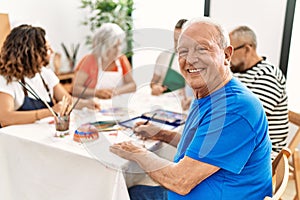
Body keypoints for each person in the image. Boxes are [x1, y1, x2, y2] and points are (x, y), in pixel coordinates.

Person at [110, 17, 272, 199]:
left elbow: (180, 181)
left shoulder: (235, 108)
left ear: (226, 55)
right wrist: (162, 134)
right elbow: (201, 148)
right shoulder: (207, 93)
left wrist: (137, 152)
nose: (191, 59)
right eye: (183, 51)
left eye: (202, 48)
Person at [0, 24, 100, 127]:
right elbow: (5, 118)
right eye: (47, 48)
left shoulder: (45, 73)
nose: (52, 52)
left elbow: (67, 100)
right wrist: (49, 112)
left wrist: (85, 103)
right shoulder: (6, 79)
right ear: (32, 52)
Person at [229, 26, 289, 158]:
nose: (227, 57)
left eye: (231, 51)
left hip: (262, 153)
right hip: (243, 145)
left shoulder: (268, 76)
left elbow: (247, 122)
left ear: (247, 49)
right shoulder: (238, 73)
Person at [73, 23, 136, 99]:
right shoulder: (90, 60)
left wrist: (115, 91)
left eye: (119, 45)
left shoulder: (121, 59)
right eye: (114, 46)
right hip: (93, 106)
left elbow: (132, 85)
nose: (118, 50)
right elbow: (75, 89)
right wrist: (96, 93)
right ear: (104, 46)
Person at [150, 19, 187, 96]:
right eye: (175, 40)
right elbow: (154, 81)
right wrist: (155, 87)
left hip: (185, 102)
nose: (177, 45)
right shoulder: (164, 56)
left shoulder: (197, 61)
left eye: (180, 40)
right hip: (165, 100)